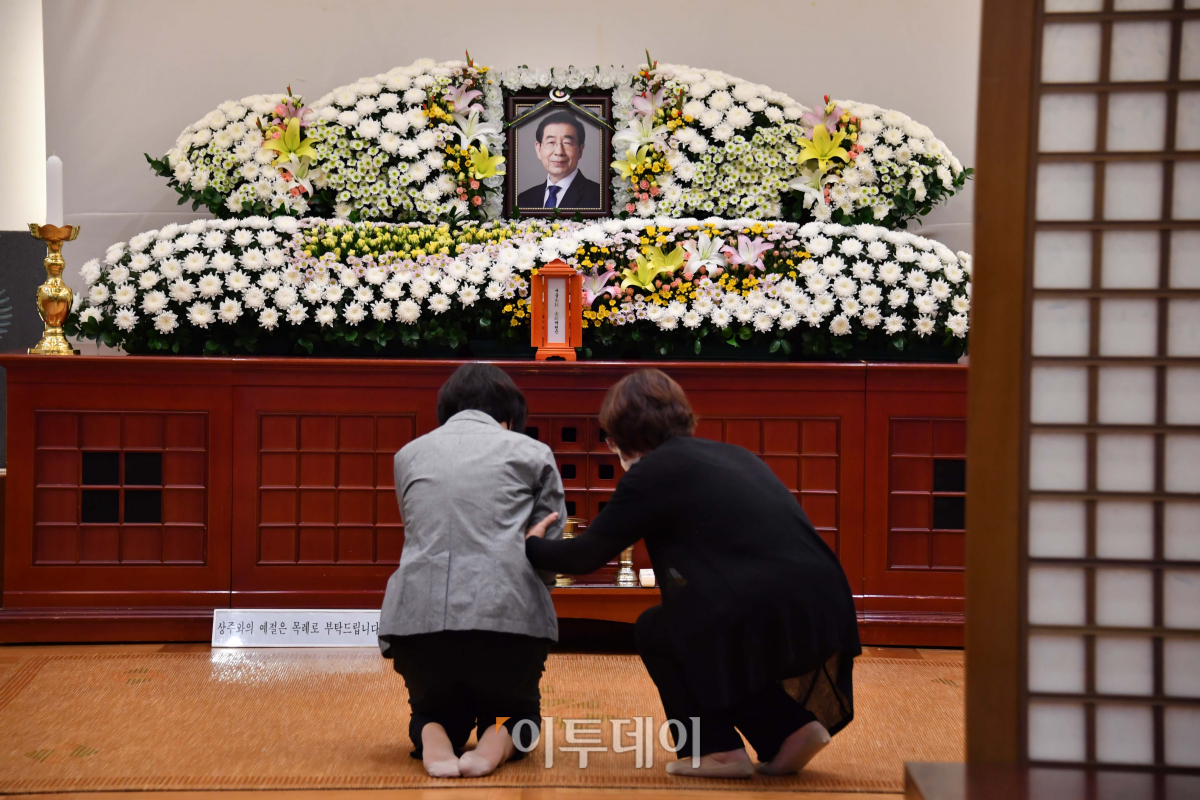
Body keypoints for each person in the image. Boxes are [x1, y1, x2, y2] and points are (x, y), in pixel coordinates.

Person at [525, 369, 861, 779]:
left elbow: (584, 556)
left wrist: (530, 543)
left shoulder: (651, 473)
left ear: (621, 435)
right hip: (825, 600)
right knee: (701, 628)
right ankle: (790, 728)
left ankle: (717, 750)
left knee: (659, 630)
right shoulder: (734, 454)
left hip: (761, 606)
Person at [378, 363, 566, 779]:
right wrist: (537, 587)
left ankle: (433, 734)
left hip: (417, 624)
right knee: (521, 715)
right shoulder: (532, 453)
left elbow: (418, 530)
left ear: (446, 411)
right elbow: (549, 545)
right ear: (509, 417)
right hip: (506, 620)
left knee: (431, 710)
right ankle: (499, 738)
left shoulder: (408, 454)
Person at [516, 110, 602, 210]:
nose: (559, 152)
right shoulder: (523, 200)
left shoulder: (600, 198)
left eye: (567, 143)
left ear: (580, 150)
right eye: (551, 142)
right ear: (539, 149)